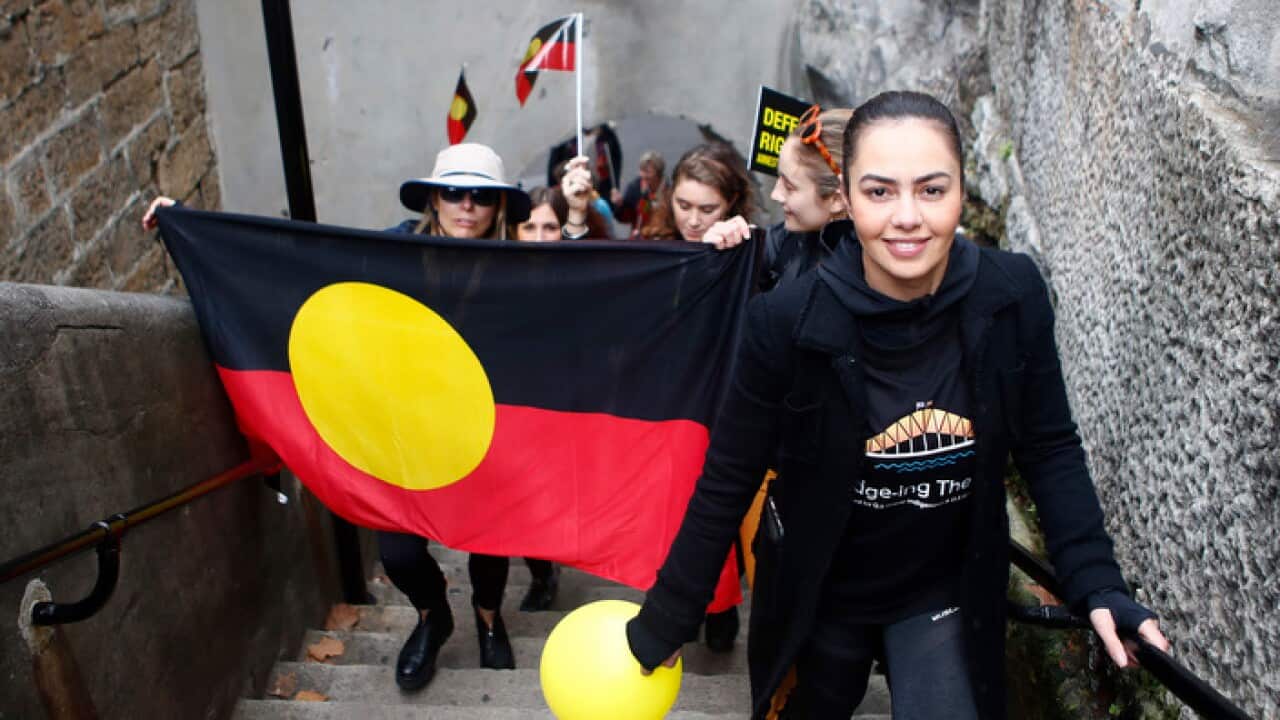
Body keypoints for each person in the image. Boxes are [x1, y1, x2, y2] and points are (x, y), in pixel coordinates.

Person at [624, 91, 1169, 720]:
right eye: (880, 192)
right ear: (846, 199)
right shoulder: (783, 321)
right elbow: (729, 474)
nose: (907, 216)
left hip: (941, 589)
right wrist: (670, 612)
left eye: (932, 190)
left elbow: (1048, 446)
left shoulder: (1012, 294)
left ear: (963, 192)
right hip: (818, 591)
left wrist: (1096, 581)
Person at [143, 142, 558, 691]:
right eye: (454, 191)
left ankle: (489, 620)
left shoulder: (517, 270)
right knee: (400, 551)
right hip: (402, 429)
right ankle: (435, 616)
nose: (466, 205)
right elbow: (292, 259)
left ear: (498, 206)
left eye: (481, 195)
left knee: (487, 540)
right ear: (434, 198)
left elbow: (581, 296)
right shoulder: (387, 252)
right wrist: (190, 225)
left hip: (484, 429)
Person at [700, 105, 852, 292]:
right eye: (778, 177)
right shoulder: (787, 241)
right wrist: (723, 256)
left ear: (837, 199)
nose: (775, 194)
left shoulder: (868, 276)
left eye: (790, 187)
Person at [639, 142, 754, 244]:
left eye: (707, 210)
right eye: (684, 206)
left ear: (731, 201)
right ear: (671, 195)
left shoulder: (746, 252)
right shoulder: (651, 243)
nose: (694, 222)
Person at [611, 150, 669, 238]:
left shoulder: (669, 192)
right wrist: (620, 205)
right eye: (641, 170)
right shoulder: (635, 188)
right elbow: (625, 218)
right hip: (641, 238)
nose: (643, 175)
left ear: (658, 173)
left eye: (648, 172)